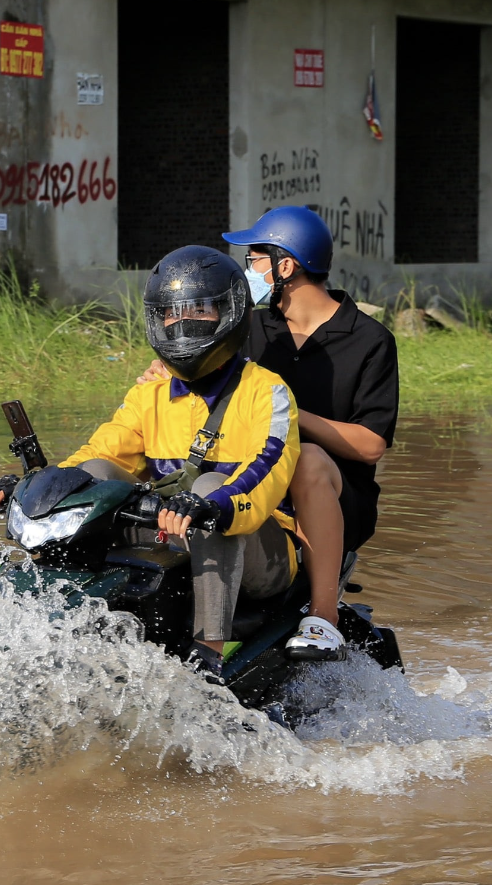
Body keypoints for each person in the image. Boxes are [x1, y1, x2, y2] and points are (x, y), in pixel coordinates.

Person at [0, 245, 300, 682]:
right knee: (93, 476)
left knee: (209, 485)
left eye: (201, 310)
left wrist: (213, 505)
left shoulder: (267, 391)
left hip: (258, 555)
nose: (183, 322)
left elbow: (267, 469)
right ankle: (57, 620)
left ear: (231, 313)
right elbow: (99, 455)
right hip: (171, 532)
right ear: (157, 319)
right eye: (171, 313)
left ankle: (209, 649)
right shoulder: (148, 394)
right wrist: (38, 485)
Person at [138, 206, 399, 659]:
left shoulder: (369, 339)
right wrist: (175, 370)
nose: (247, 269)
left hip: (331, 490)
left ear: (285, 266)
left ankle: (323, 616)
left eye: (255, 258)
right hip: (248, 477)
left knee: (309, 460)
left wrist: (289, 416)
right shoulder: (252, 327)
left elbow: (371, 445)